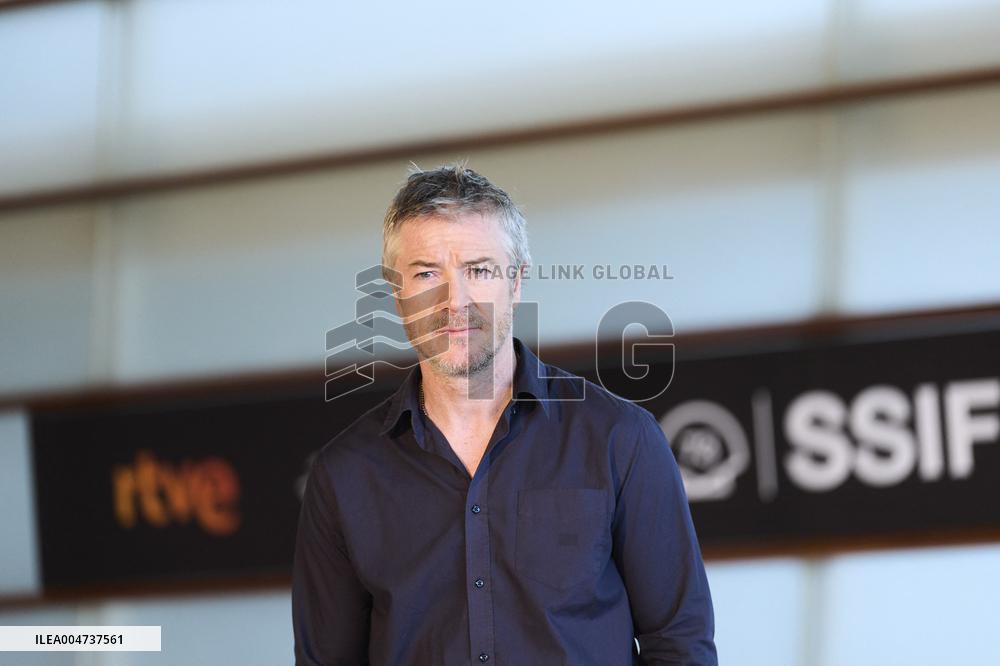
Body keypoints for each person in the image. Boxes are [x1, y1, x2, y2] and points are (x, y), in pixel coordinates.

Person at [292, 162, 717, 665]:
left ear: (516, 282)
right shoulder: (344, 476)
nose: (455, 301)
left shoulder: (618, 439)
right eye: (427, 273)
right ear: (395, 292)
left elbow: (680, 644)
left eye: (479, 270)